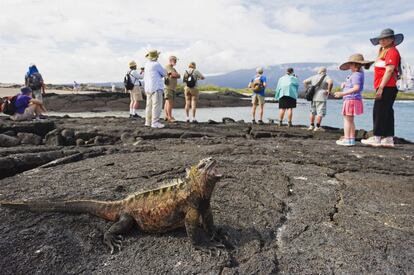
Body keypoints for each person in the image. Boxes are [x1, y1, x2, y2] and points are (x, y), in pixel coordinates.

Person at [361, 29, 403, 148]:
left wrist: (381, 88)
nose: (383, 41)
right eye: (381, 39)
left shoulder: (392, 51)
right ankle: (388, 139)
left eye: (386, 38)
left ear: (392, 40)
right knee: (388, 111)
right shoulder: (384, 51)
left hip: (387, 86)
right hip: (388, 86)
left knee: (379, 111)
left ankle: (377, 137)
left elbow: (389, 70)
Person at [335, 54, 373, 146]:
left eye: (350, 65)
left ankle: (347, 139)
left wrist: (342, 93)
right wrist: (346, 83)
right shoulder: (359, 73)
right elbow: (355, 85)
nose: (349, 67)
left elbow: (356, 88)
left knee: (347, 120)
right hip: (354, 99)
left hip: (350, 99)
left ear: (355, 65)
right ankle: (351, 139)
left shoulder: (356, 75)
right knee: (350, 120)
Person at [303, 67, 333, 131]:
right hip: (321, 97)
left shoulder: (314, 77)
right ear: (325, 71)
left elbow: (304, 82)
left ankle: (311, 126)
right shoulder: (326, 77)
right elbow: (330, 82)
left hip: (313, 96)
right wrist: (329, 91)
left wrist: (307, 89)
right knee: (320, 112)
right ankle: (317, 127)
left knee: (312, 112)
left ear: (318, 71)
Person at [143, 50, 167, 128]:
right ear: (156, 57)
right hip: (156, 87)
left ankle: (148, 122)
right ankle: (155, 122)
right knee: (156, 105)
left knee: (148, 105)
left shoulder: (146, 64)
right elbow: (164, 73)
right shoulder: (156, 64)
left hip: (148, 87)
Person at [164, 56, 181, 122]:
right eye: (175, 60)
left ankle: (167, 116)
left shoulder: (172, 68)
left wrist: (177, 75)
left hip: (171, 87)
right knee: (169, 102)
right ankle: (170, 117)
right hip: (169, 87)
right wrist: (176, 75)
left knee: (167, 102)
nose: (176, 62)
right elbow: (174, 75)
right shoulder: (168, 66)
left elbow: (178, 75)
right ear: (171, 60)